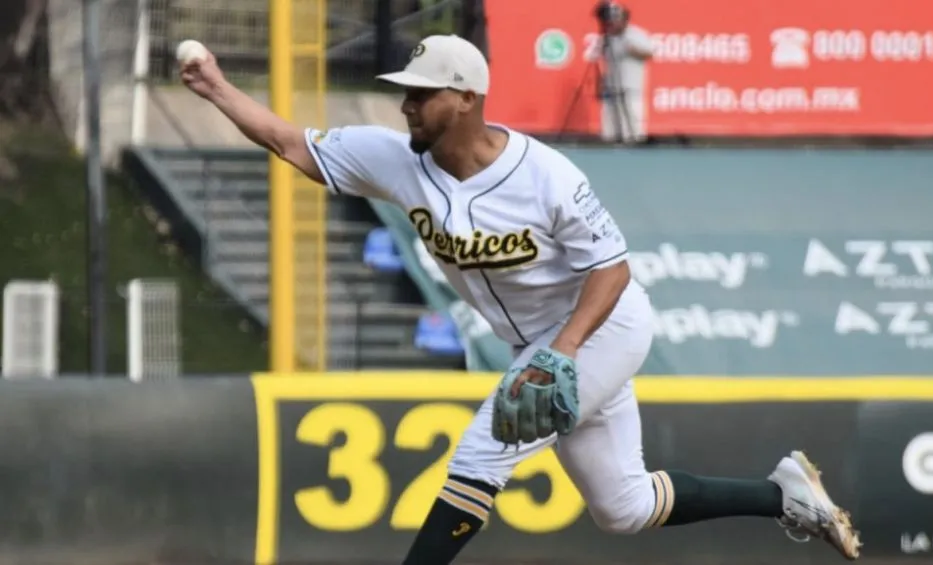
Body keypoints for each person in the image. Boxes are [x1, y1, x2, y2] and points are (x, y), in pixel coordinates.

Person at [178, 33, 861, 564]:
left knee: (483, 451)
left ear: (466, 98)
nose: (406, 104)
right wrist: (214, 87)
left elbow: (613, 269)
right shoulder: (393, 159)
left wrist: (561, 353)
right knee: (621, 506)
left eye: (422, 93)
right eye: (406, 92)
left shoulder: (543, 175)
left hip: (602, 328)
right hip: (542, 345)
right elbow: (288, 141)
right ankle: (784, 494)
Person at [589, 1, 653, 145]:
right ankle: (611, 141)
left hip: (631, 84)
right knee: (610, 121)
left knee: (632, 117)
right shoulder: (607, 37)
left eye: (616, 20)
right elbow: (597, 59)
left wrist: (632, 49)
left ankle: (635, 141)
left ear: (624, 20)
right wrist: (599, 83)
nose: (613, 23)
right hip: (611, 84)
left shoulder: (636, 34)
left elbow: (649, 52)